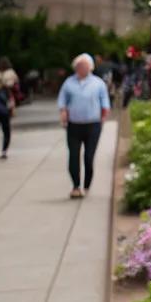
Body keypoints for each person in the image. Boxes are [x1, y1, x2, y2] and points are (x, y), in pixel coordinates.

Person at [58, 53, 110, 198]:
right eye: (79, 66)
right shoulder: (69, 83)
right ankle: (75, 185)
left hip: (92, 124)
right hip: (74, 124)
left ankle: (86, 184)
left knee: (88, 156)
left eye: (85, 66)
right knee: (74, 155)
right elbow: (62, 100)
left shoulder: (98, 83)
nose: (82, 69)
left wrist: (104, 115)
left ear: (90, 67)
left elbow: (104, 101)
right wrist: (63, 112)